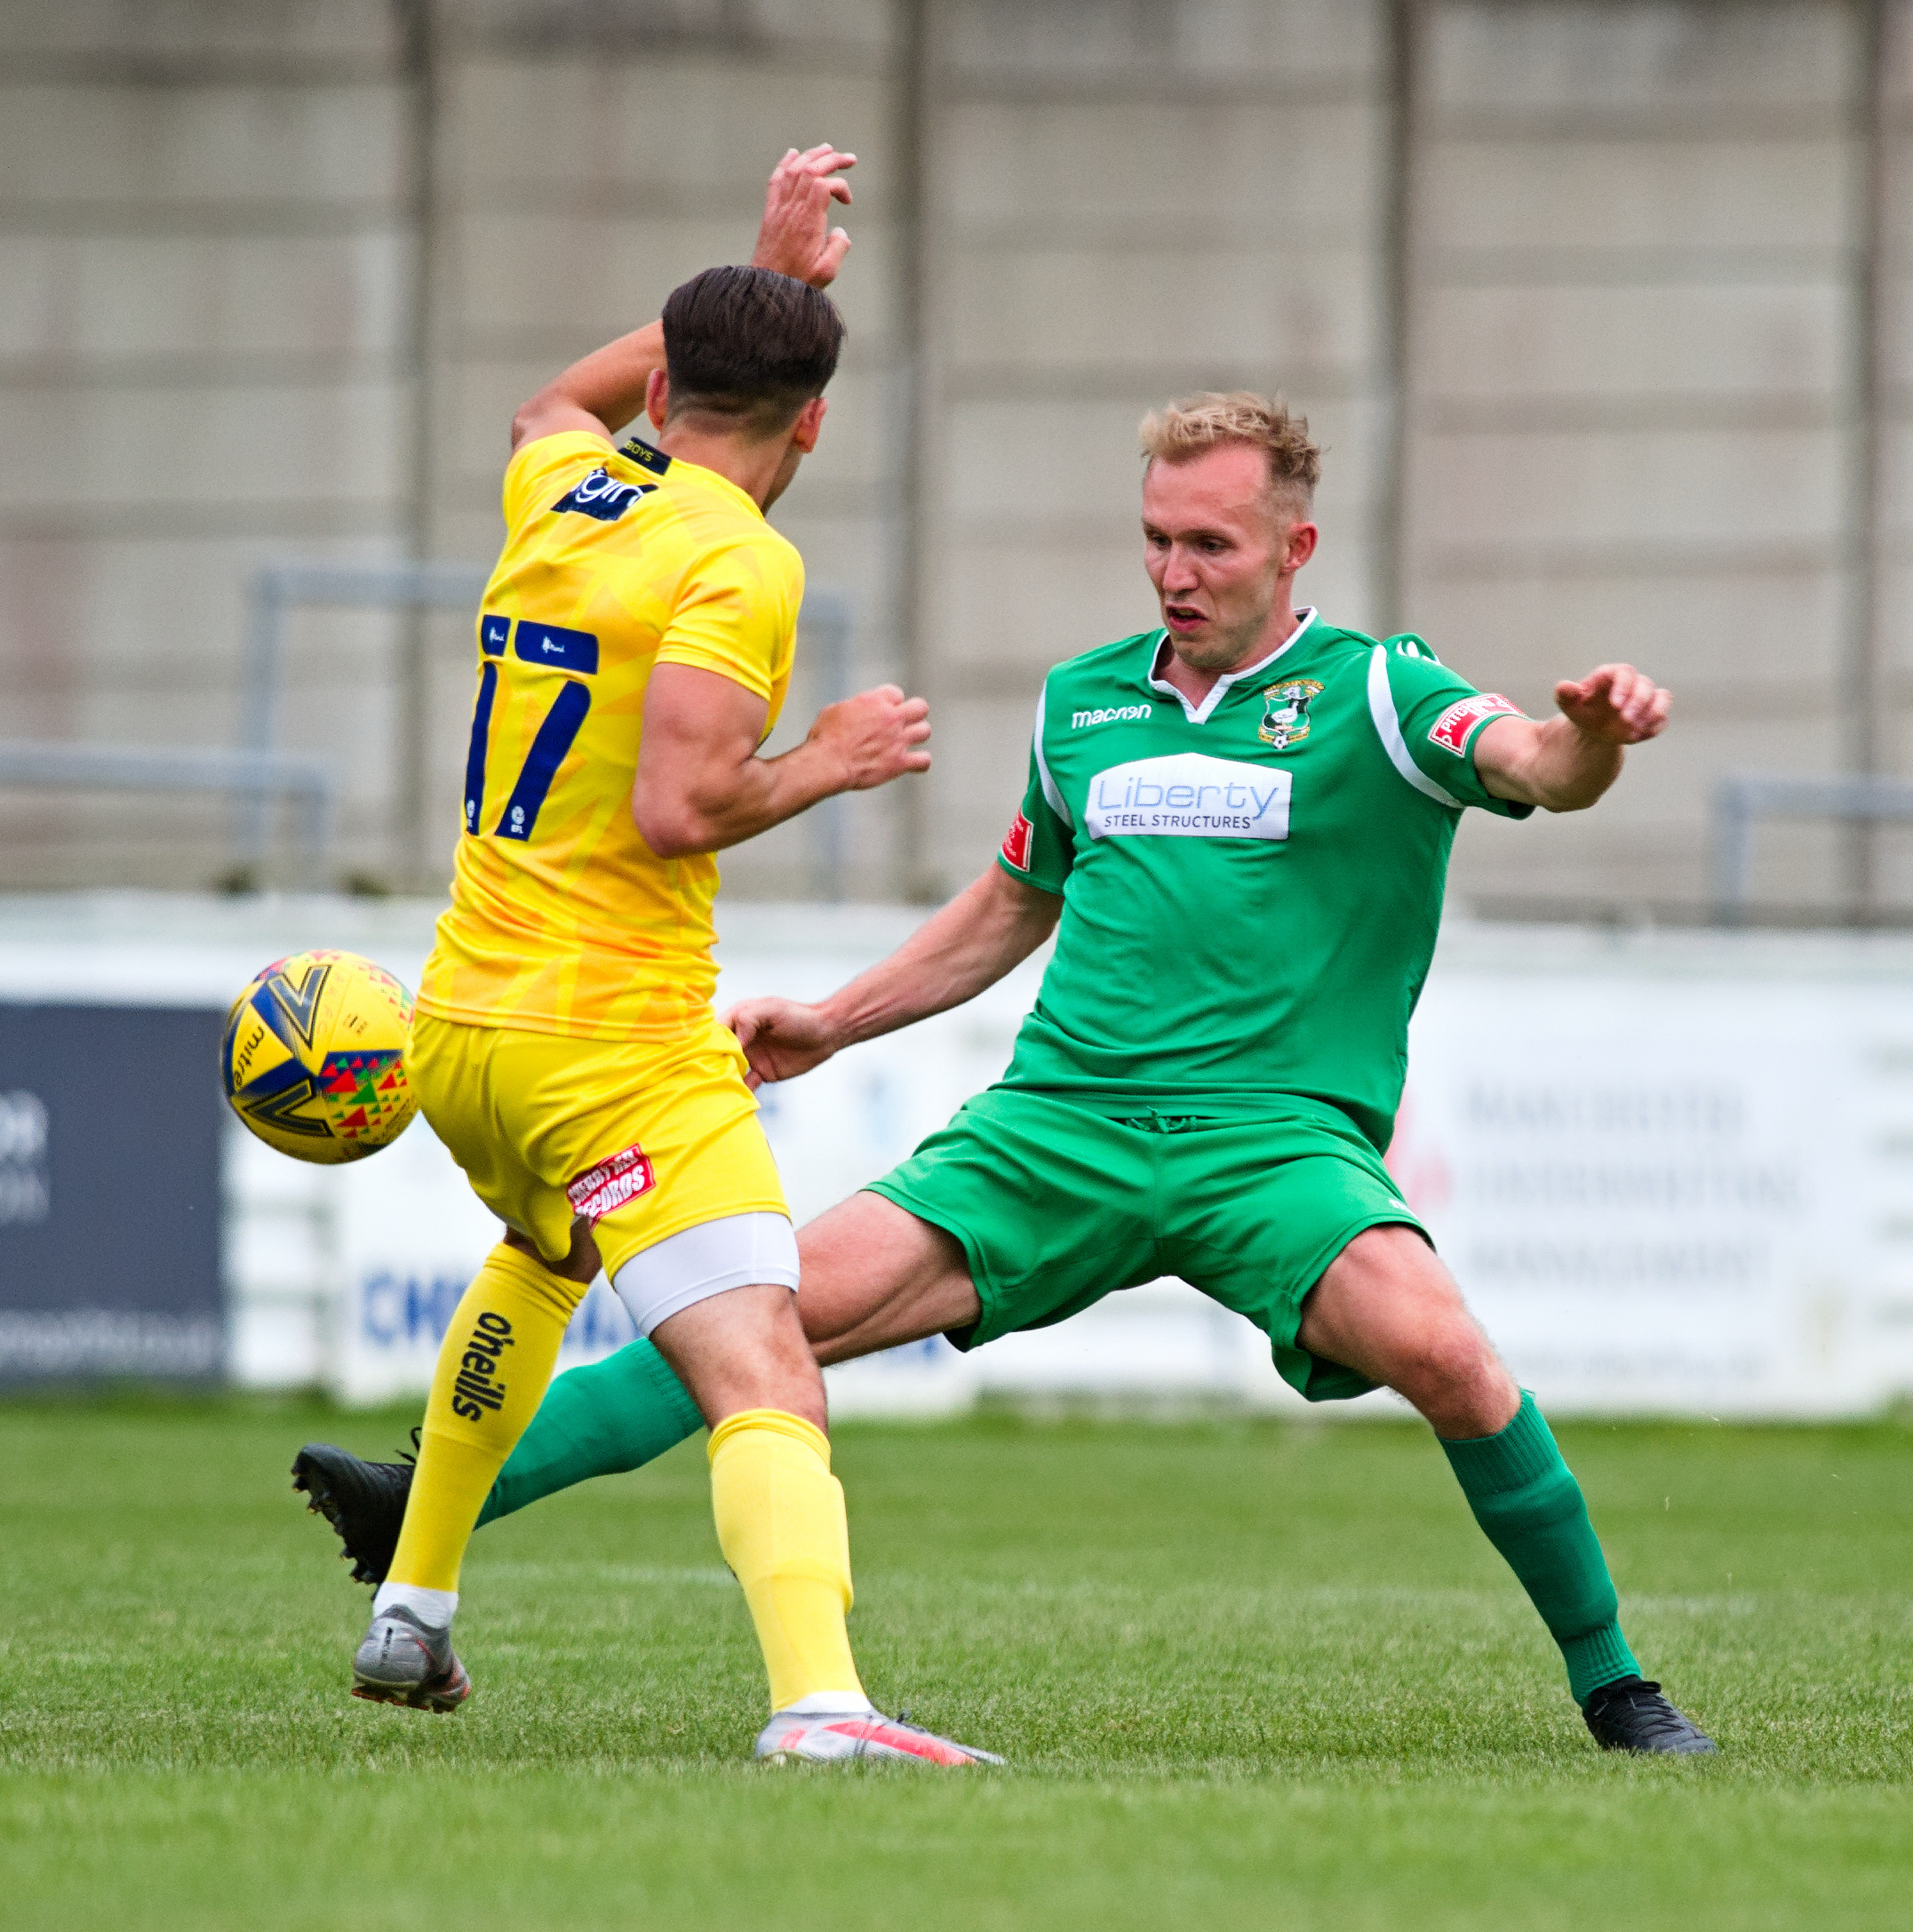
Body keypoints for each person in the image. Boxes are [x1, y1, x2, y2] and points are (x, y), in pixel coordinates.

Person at [301, 389, 1713, 1758]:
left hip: (1270, 1145)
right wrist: (838, 1020)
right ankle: (417, 1507)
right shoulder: (1082, 706)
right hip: (1054, 1130)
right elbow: (1006, 907)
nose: (1173, 571)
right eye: (1156, 538)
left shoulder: (1381, 692)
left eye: (1209, 546)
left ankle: (1616, 1687)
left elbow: (1530, 762)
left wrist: (1588, 730)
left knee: (1451, 1359)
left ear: (1294, 550)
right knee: (755, 1325)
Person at [327, 142, 997, 1768]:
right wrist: (831, 756)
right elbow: (682, 800)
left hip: (463, 1027)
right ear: (813, 424)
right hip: (610, 1041)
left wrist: (749, 283)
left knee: (546, 1258)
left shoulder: (563, 489)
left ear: (678, 378)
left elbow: (548, 405)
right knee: (766, 1363)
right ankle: (820, 1708)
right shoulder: (738, 561)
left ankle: (410, 1607)